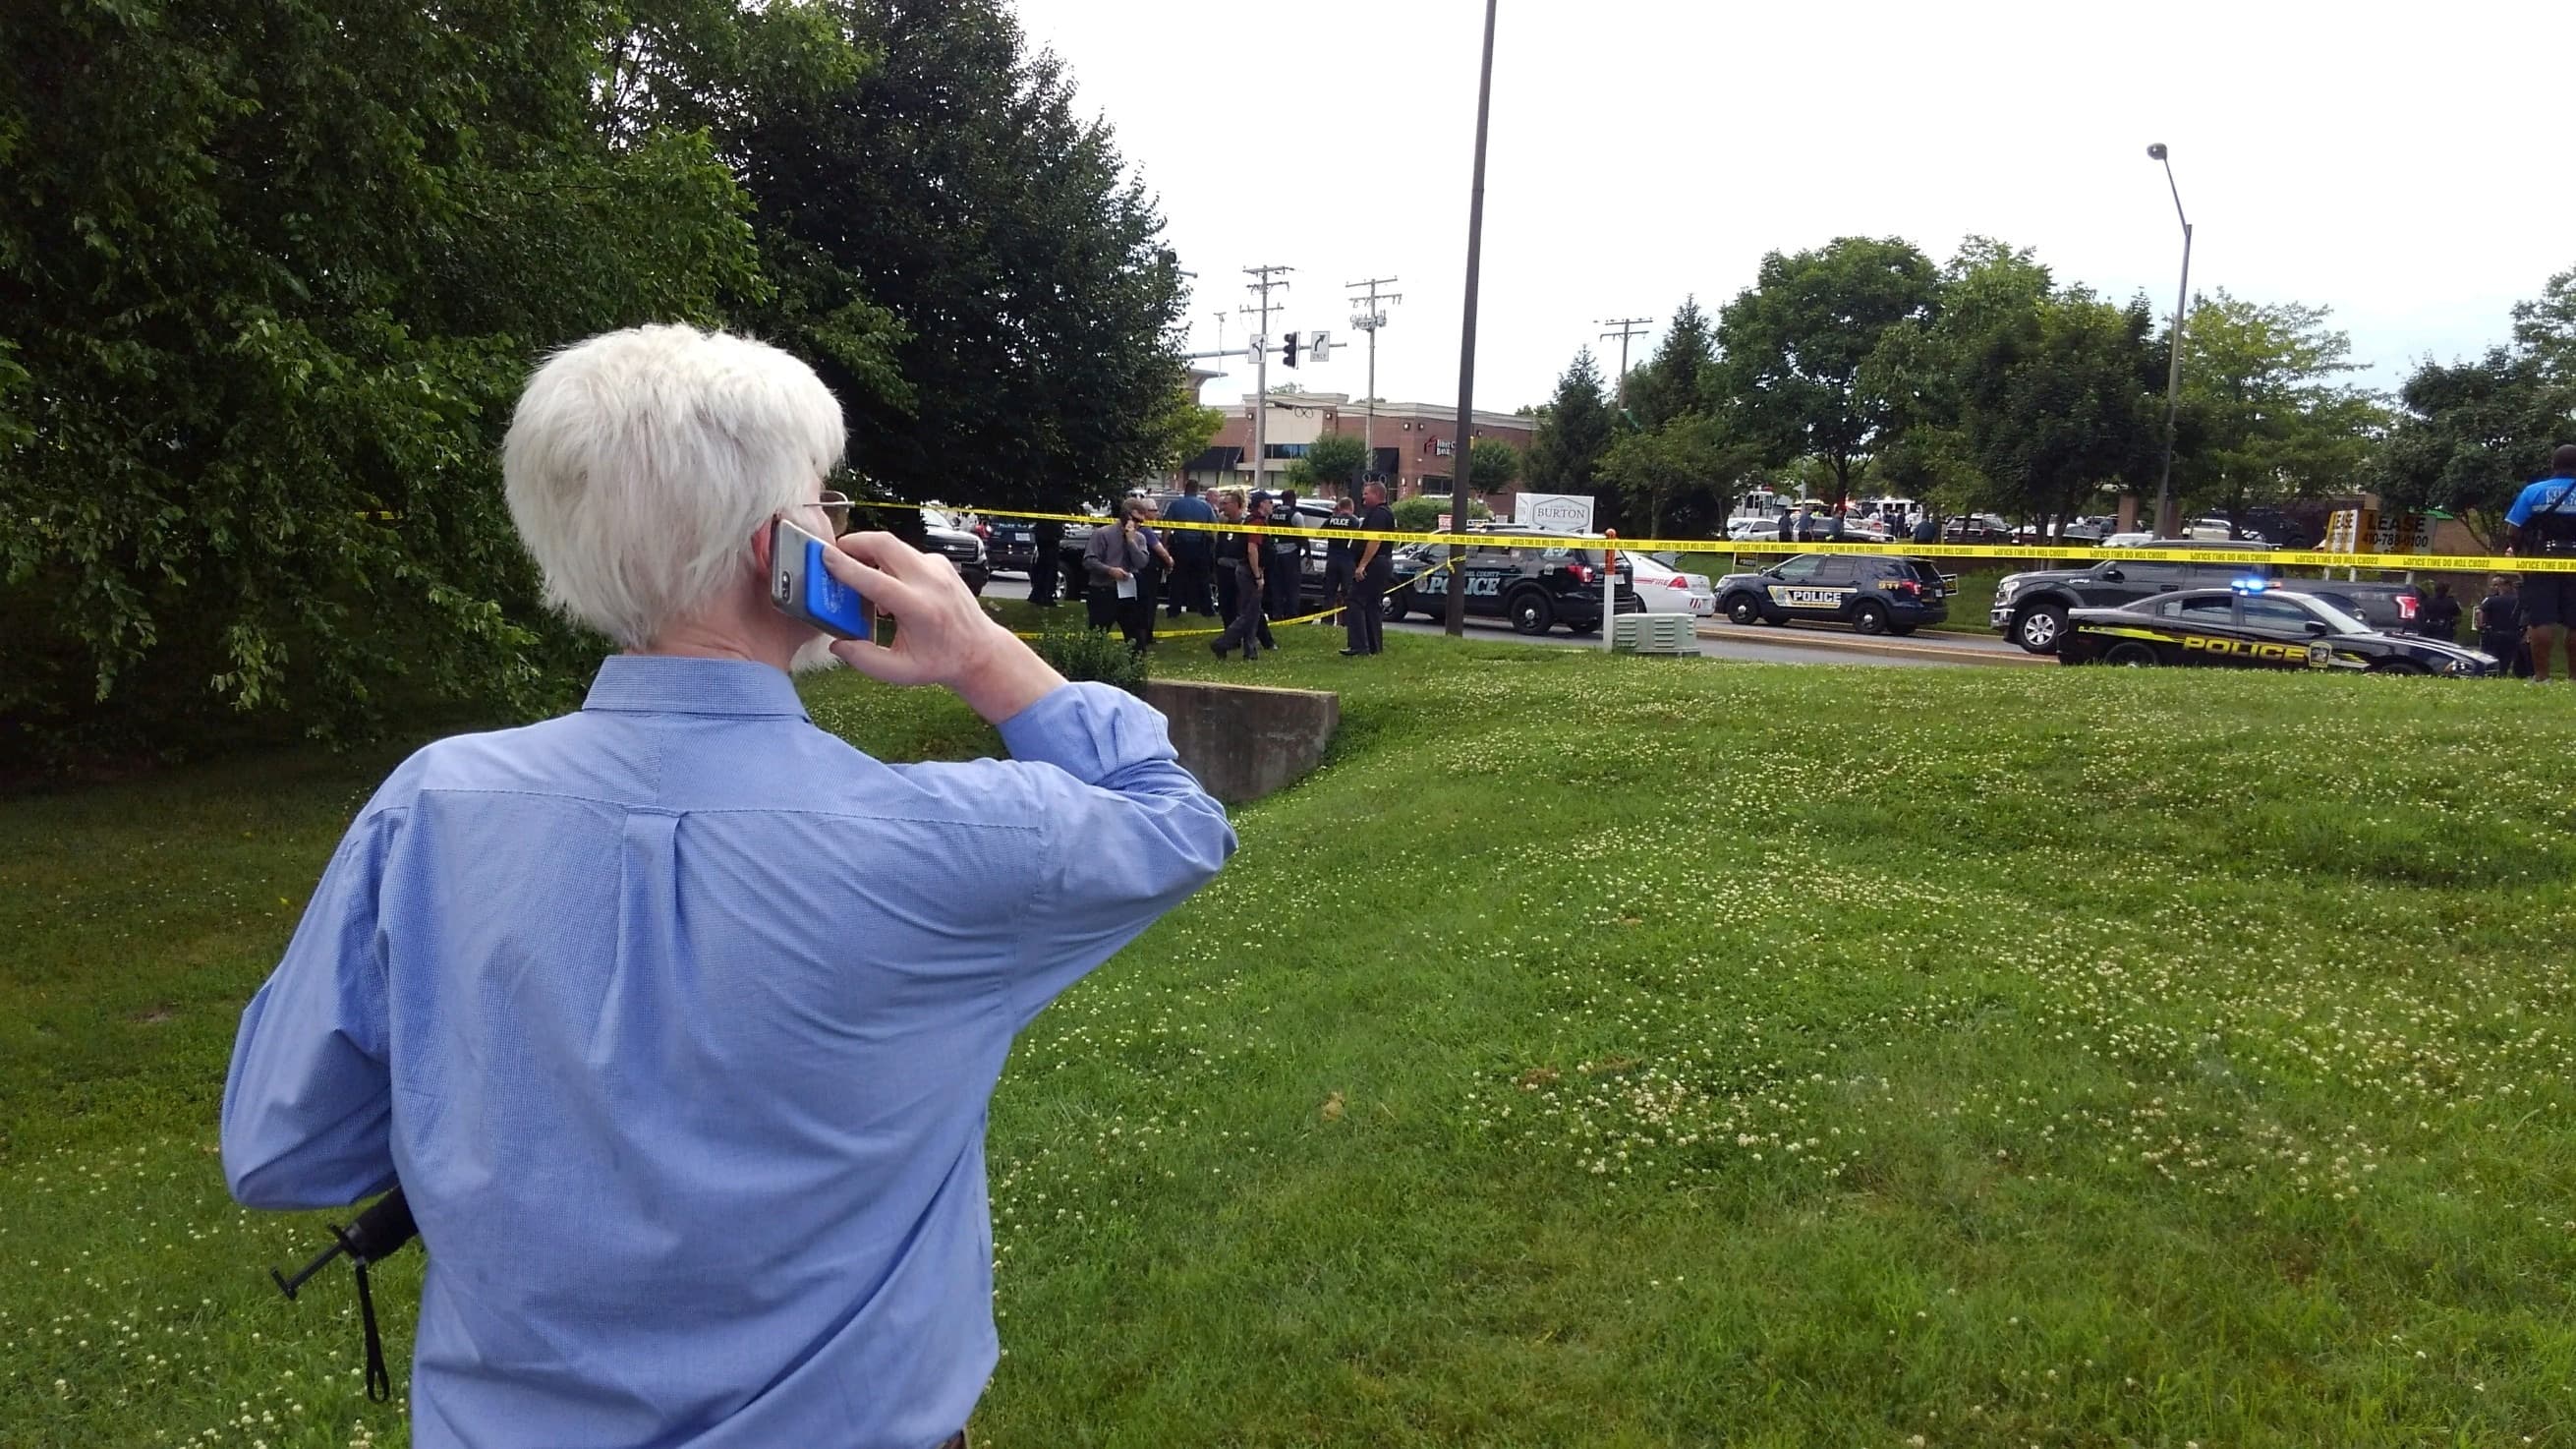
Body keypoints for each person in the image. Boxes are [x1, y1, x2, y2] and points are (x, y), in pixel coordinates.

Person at [218, 324, 1234, 1449]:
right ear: (779, 548)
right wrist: (984, 650)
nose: (841, 527)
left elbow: (283, 1147)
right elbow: (1175, 819)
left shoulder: (431, 806)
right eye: (826, 505)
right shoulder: (948, 840)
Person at [2504, 443, 2576, 683]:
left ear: (2552, 465)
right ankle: (2574, 678)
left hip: (2542, 561)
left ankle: (2542, 677)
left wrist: (2521, 558)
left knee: (2540, 620)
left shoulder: (2533, 491)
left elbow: (2513, 531)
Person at [1211, 490, 1268, 661]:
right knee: (1248, 613)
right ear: (1261, 504)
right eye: (1270, 502)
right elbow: (1252, 550)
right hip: (1249, 571)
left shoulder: (1253, 521)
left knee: (1252, 612)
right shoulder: (1254, 522)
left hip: (1247, 570)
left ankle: (1250, 651)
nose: (1273, 505)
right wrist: (1258, 575)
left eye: (1225, 503)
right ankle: (1222, 643)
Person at [1082, 496, 1152, 636]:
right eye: (1136, 520)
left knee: (1136, 638)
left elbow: (1142, 563)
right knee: (1097, 636)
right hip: (1104, 590)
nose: (1138, 524)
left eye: (1141, 522)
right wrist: (1110, 570)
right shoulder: (1102, 534)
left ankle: (1135, 657)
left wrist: (1131, 542)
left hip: (1129, 593)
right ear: (1126, 515)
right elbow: (1088, 561)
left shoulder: (1139, 538)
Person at [1344, 479, 1398, 657]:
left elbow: (1375, 540)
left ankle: (1359, 646)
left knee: (1355, 600)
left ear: (1376, 495)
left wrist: (1362, 565)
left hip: (1374, 563)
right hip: (1381, 563)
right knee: (1372, 605)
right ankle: (1374, 646)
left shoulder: (1379, 514)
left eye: (1366, 494)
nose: (1363, 497)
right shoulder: (1382, 513)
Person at [1162, 479, 1217, 617]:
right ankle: (1206, 609)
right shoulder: (1205, 507)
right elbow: (1214, 529)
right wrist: (1214, 546)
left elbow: (1167, 527)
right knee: (1203, 580)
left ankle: (1174, 610)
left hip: (1180, 547)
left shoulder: (1175, 505)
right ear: (1197, 490)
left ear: (1185, 489)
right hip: (1200, 547)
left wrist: (1164, 545)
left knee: (1177, 580)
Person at [1319, 493, 1363, 625]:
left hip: (1332, 558)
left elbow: (1320, 534)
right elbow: (1359, 541)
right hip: (1347, 559)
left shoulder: (1331, 519)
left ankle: (1326, 621)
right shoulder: (1355, 521)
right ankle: (1346, 622)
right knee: (1347, 592)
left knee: (1329, 592)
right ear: (1351, 507)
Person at [1266, 489, 1305, 625]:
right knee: (1292, 587)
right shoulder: (1296, 515)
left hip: (1275, 554)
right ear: (1293, 499)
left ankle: (1277, 614)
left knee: (1276, 586)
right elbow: (1302, 536)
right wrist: (1307, 553)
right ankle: (1292, 616)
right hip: (1291, 555)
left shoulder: (1272, 514)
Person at [2476, 574, 2529, 677]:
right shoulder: (2518, 601)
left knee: (2490, 656)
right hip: (2513, 634)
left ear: (2501, 587)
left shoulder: (2491, 600)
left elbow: (2479, 612)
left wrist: (2480, 625)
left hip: (2494, 634)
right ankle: (2503, 673)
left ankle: (2490, 674)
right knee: (2507, 657)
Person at [1028, 516, 1064, 608]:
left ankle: (1039, 595)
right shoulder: (1052, 519)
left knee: (1043, 569)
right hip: (1049, 540)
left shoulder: (1043, 521)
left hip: (1046, 538)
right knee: (1049, 570)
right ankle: (1045, 596)